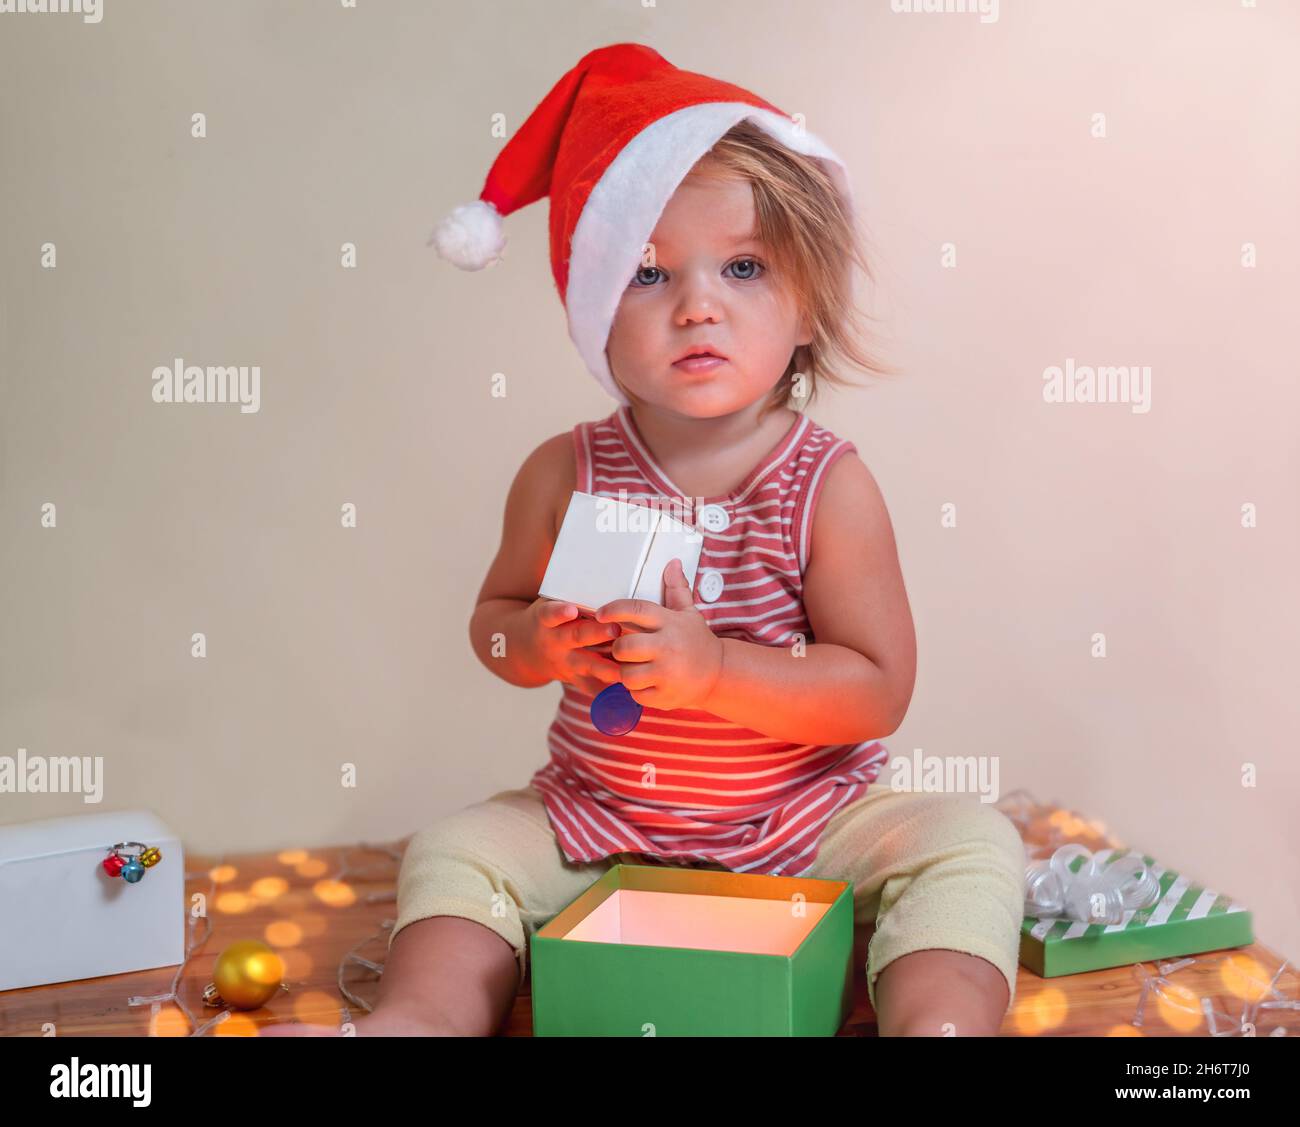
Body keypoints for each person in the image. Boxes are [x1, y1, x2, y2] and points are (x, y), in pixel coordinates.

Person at [264, 42, 1024, 1039]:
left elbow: (874, 690)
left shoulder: (824, 485)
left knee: (970, 841)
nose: (697, 303)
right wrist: (533, 643)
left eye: (743, 266)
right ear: (593, 316)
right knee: (458, 848)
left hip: (801, 824)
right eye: (648, 272)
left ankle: (936, 1022)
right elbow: (489, 629)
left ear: (806, 305)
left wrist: (714, 671)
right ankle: (415, 1020)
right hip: (600, 825)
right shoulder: (562, 470)